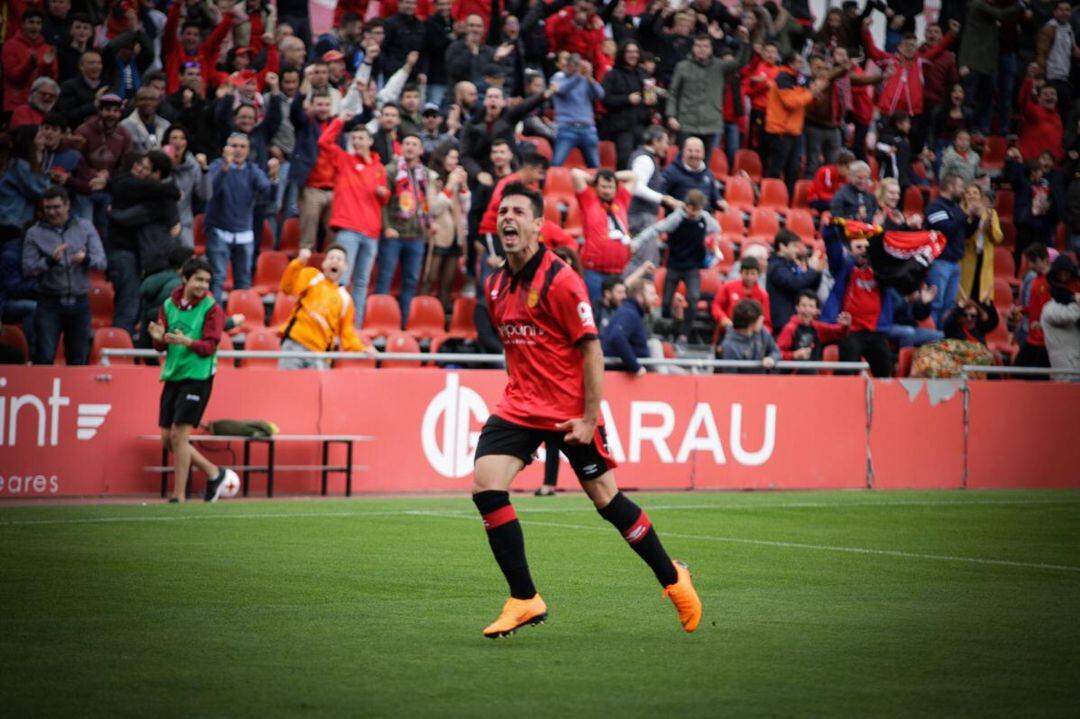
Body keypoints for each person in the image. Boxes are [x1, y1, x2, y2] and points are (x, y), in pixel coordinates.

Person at [473, 182, 700, 638]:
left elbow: (592, 351)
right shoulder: (495, 285)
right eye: (502, 212)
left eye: (518, 211)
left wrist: (589, 417)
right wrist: (518, 391)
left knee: (607, 501)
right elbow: (513, 348)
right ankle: (524, 598)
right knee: (486, 486)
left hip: (569, 409)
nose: (507, 219)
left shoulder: (561, 280)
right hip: (520, 406)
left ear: (539, 225)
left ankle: (674, 580)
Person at [147, 256, 240, 503]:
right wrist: (157, 338)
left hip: (198, 377)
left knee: (181, 437)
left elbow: (210, 346)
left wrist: (186, 342)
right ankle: (214, 472)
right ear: (185, 278)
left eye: (207, 281)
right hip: (173, 374)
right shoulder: (168, 305)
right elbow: (161, 344)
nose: (203, 285)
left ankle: (178, 497)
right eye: (198, 279)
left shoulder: (212, 309)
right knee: (168, 439)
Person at [316, 116, 390, 327]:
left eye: (361, 138)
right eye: (354, 137)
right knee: (341, 279)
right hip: (348, 228)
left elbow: (383, 199)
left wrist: (384, 193)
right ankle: (332, 322)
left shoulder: (379, 169)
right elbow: (323, 142)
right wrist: (340, 121)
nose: (356, 141)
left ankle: (352, 326)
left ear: (369, 141)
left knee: (362, 282)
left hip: (371, 232)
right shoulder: (345, 160)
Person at [21, 187, 106, 365]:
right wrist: (49, 261)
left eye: (56, 207)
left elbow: (101, 262)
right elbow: (27, 269)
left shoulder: (85, 227)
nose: (51, 212)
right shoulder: (34, 233)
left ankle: (77, 393)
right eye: (47, 208)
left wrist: (85, 260)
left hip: (80, 302)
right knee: (44, 356)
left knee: (78, 357)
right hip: (49, 302)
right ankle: (41, 392)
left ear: (67, 205)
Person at [630, 189, 720, 346]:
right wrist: (638, 241)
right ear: (686, 206)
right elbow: (655, 229)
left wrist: (713, 244)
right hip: (674, 265)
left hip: (693, 267)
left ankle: (684, 335)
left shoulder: (704, 219)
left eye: (698, 209)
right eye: (692, 209)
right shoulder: (676, 218)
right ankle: (666, 333)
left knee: (693, 297)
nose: (694, 213)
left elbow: (717, 229)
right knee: (665, 302)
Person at [204, 133, 280, 301]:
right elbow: (210, 191)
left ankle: (240, 318)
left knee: (244, 281)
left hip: (244, 232)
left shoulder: (253, 170)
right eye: (234, 146)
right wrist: (225, 168)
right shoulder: (217, 165)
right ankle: (214, 319)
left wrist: (274, 177)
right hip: (218, 230)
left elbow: (269, 195)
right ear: (226, 149)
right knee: (217, 278)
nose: (238, 150)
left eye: (242, 146)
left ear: (248, 150)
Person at [276, 246, 370, 370]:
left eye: (339, 259)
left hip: (320, 354)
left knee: (313, 390)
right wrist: (298, 263)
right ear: (324, 263)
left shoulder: (346, 300)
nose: (335, 261)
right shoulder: (312, 277)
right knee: (288, 387)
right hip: (294, 345)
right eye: (331, 257)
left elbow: (347, 333)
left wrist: (362, 349)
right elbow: (287, 288)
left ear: (346, 267)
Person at [822, 220, 894, 377]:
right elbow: (832, 246)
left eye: (866, 247)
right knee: (846, 371)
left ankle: (882, 401)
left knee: (885, 370)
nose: (863, 251)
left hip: (876, 330)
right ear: (850, 250)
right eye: (858, 247)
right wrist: (830, 228)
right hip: (851, 330)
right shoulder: (843, 268)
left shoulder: (881, 271)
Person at [379, 134, 434, 326]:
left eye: (414, 144)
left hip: (417, 235)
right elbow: (382, 203)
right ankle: (380, 320)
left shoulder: (425, 173)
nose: (410, 147)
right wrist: (387, 227)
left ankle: (402, 323)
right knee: (385, 278)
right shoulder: (391, 170)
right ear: (401, 147)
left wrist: (429, 223)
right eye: (407, 143)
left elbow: (425, 201)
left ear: (420, 150)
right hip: (394, 233)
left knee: (411, 281)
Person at [666, 30, 751, 154]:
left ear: (711, 48)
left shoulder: (720, 66)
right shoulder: (682, 66)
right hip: (686, 122)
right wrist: (671, 115)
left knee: (705, 162)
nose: (702, 49)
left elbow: (741, 62)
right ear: (693, 47)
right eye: (698, 46)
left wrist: (745, 42)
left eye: (705, 46)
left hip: (711, 123)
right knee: (684, 158)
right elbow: (672, 92)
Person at [572, 167, 637, 303]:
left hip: (618, 272)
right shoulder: (588, 200)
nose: (607, 190)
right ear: (596, 187)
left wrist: (612, 176)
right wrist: (597, 178)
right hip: (594, 271)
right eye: (603, 186)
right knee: (595, 309)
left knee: (615, 314)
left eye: (610, 187)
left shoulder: (621, 200)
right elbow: (575, 173)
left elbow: (633, 176)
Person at [926, 173, 977, 327]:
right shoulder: (936, 207)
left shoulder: (954, 208)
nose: (963, 191)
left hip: (955, 263)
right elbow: (946, 229)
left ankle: (943, 342)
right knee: (936, 304)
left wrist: (976, 217)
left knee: (948, 306)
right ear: (950, 187)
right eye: (960, 186)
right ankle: (931, 341)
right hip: (940, 262)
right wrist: (965, 213)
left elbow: (964, 233)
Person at [549, 53, 605, 167]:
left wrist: (589, 78)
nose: (574, 69)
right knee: (556, 164)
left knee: (595, 166)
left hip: (587, 129)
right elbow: (562, 90)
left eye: (577, 66)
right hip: (566, 128)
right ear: (567, 65)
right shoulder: (558, 77)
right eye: (572, 65)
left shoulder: (584, 79)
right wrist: (578, 76)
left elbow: (600, 95)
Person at [767, 229, 825, 334]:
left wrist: (817, 272)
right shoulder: (776, 267)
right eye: (794, 246)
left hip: (796, 320)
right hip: (782, 323)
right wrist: (812, 271)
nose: (797, 250)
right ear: (782, 247)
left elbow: (808, 288)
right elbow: (795, 284)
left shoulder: (791, 265)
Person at [600, 277, 657, 376]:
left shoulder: (632, 312)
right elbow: (617, 337)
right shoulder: (629, 313)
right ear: (639, 296)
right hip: (622, 376)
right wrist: (636, 367)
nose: (656, 298)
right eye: (651, 294)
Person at [959, 184, 1003, 306]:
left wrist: (988, 226)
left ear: (981, 196)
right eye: (968, 192)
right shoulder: (961, 212)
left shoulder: (991, 213)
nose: (971, 195)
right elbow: (962, 237)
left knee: (981, 297)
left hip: (984, 259)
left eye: (975, 192)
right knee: (966, 295)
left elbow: (998, 238)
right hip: (967, 259)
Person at [776, 290, 851, 361]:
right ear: (797, 308)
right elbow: (777, 353)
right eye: (803, 305)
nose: (807, 310)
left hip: (813, 373)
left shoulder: (817, 327)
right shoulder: (790, 328)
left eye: (811, 306)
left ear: (817, 311)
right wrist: (794, 355)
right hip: (794, 373)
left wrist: (845, 326)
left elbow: (838, 333)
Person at [712, 256, 772, 339]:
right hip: (728, 332)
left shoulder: (763, 295)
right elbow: (716, 305)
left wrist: (760, 332)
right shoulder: (728, 287)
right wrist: (723, 318)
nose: (749, 277)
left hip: (752, 337)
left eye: (753, 273)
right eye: (746, 273)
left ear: (758, 274)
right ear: (741, 273)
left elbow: (766, 322)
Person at [718, 298, 782, 372]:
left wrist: (772, 358)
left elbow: (776, 351)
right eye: (759, 318)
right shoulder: (729, 346)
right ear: (751, 323)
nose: (763, 319)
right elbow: (730, 376)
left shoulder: (762, 332)